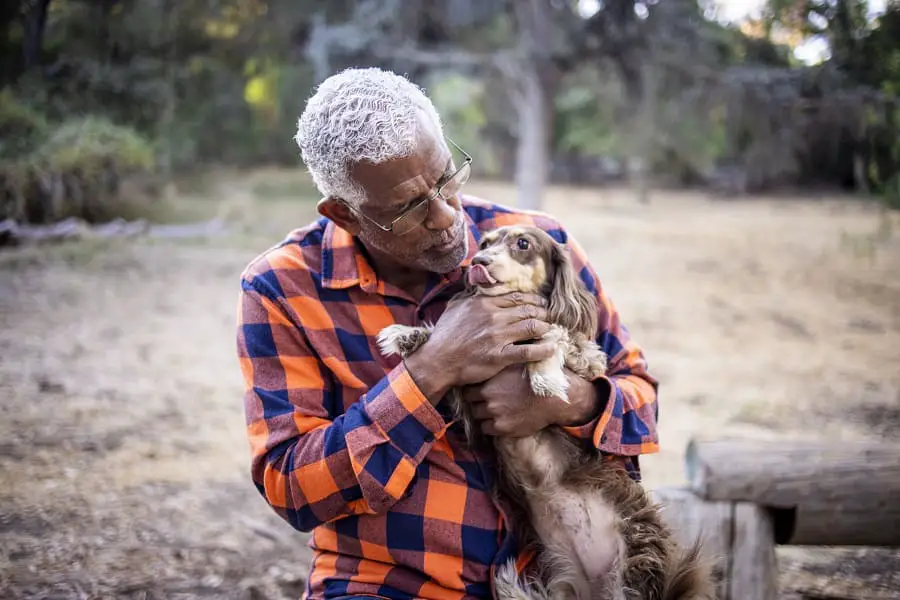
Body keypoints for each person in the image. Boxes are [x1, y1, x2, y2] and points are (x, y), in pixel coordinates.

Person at [235, 67, 659, 600]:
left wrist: (565, 402)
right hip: (387, 585)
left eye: (446, 178)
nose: (445, 217)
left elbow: (643, 403)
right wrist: (433, 367)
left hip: (559, 576)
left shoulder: (538, 243)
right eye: (410, 208)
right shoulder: (281, 287)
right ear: (344, 214)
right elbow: (292, 487)